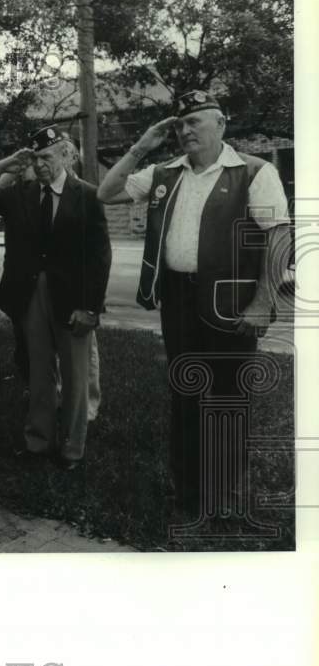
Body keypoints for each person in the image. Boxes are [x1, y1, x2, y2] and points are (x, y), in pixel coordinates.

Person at [97, 90, 290, 514]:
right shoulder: (165, 173)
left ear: (221, 124)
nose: (186, 131)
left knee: (227, 396)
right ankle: (187, 490)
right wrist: (142, 145)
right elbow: (106, 194)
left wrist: (262, 303)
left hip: (230, 302)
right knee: (185, 393)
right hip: (179, 299)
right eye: (180, 125)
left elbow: (278, 236)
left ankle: (226, 495)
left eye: (195, 122)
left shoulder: (253, 171)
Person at [0, 127, 111, 469]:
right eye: (35, 158)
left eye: (47, 157)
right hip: (29, 296)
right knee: (39, 373)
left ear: (67, 155)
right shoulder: (19, 193)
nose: (40, 165)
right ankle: (38, 441)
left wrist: (90, 307)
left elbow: (100, 258)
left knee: (74, 376)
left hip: (73, 299)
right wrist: (1, 167)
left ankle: (72, 448)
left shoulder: (87, 195)